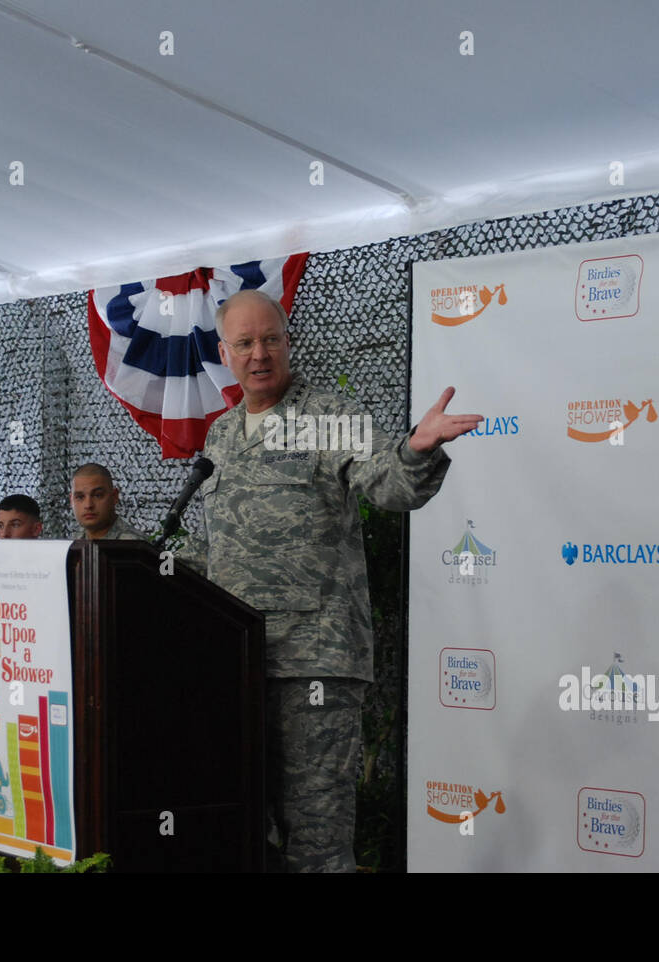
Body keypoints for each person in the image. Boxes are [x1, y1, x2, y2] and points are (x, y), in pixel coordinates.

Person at [202, 289, 481, 872]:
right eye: (246, 343)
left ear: (287, 342)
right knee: (240, 828)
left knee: (317, 837)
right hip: (235, 664)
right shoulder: (221, 436)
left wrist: (414, 450)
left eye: (271, 339)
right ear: (224, 353)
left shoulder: (329, 418)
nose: (260, 353)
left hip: (314, 664)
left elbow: (390, 484)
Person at [70, 463, 144, 540]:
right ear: (71, 500)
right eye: (80, 497)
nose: (88, 505)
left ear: (114, 497)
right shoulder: (70, 543)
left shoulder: (136, 545)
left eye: (97, 495)